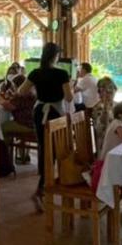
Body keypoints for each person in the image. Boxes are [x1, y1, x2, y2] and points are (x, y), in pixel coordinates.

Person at [18, 42, 73, 213]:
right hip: (56, 113)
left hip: (40, 112)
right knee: (56, 150)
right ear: (56, 56)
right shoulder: (62, 73)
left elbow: (21, 91)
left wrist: (36, 92)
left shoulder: (35, 73)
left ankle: (43, 183)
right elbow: (69, 98)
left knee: (43, 147)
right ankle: (44, 185)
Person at [91, 76, 118, 149]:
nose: (109, 93)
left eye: (111, 89)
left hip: (118, 138)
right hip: (106, 144)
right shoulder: (98, 108)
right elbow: (101, 129)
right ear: (100, 93)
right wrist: (106, 107)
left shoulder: (117, 105)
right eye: (104, 90)